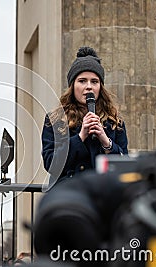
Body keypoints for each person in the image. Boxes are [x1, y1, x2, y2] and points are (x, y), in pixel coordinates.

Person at [41, 46, 128, 184]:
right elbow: (51, 164)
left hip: (101, 195)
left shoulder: (115, 122)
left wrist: (106, 141)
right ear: (72, 86)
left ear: (100, 87)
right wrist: (80, 137)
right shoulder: (55, 120)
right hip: (68, 194)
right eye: (82, 81)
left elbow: (124, 166)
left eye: (94, 81)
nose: (89, 86)